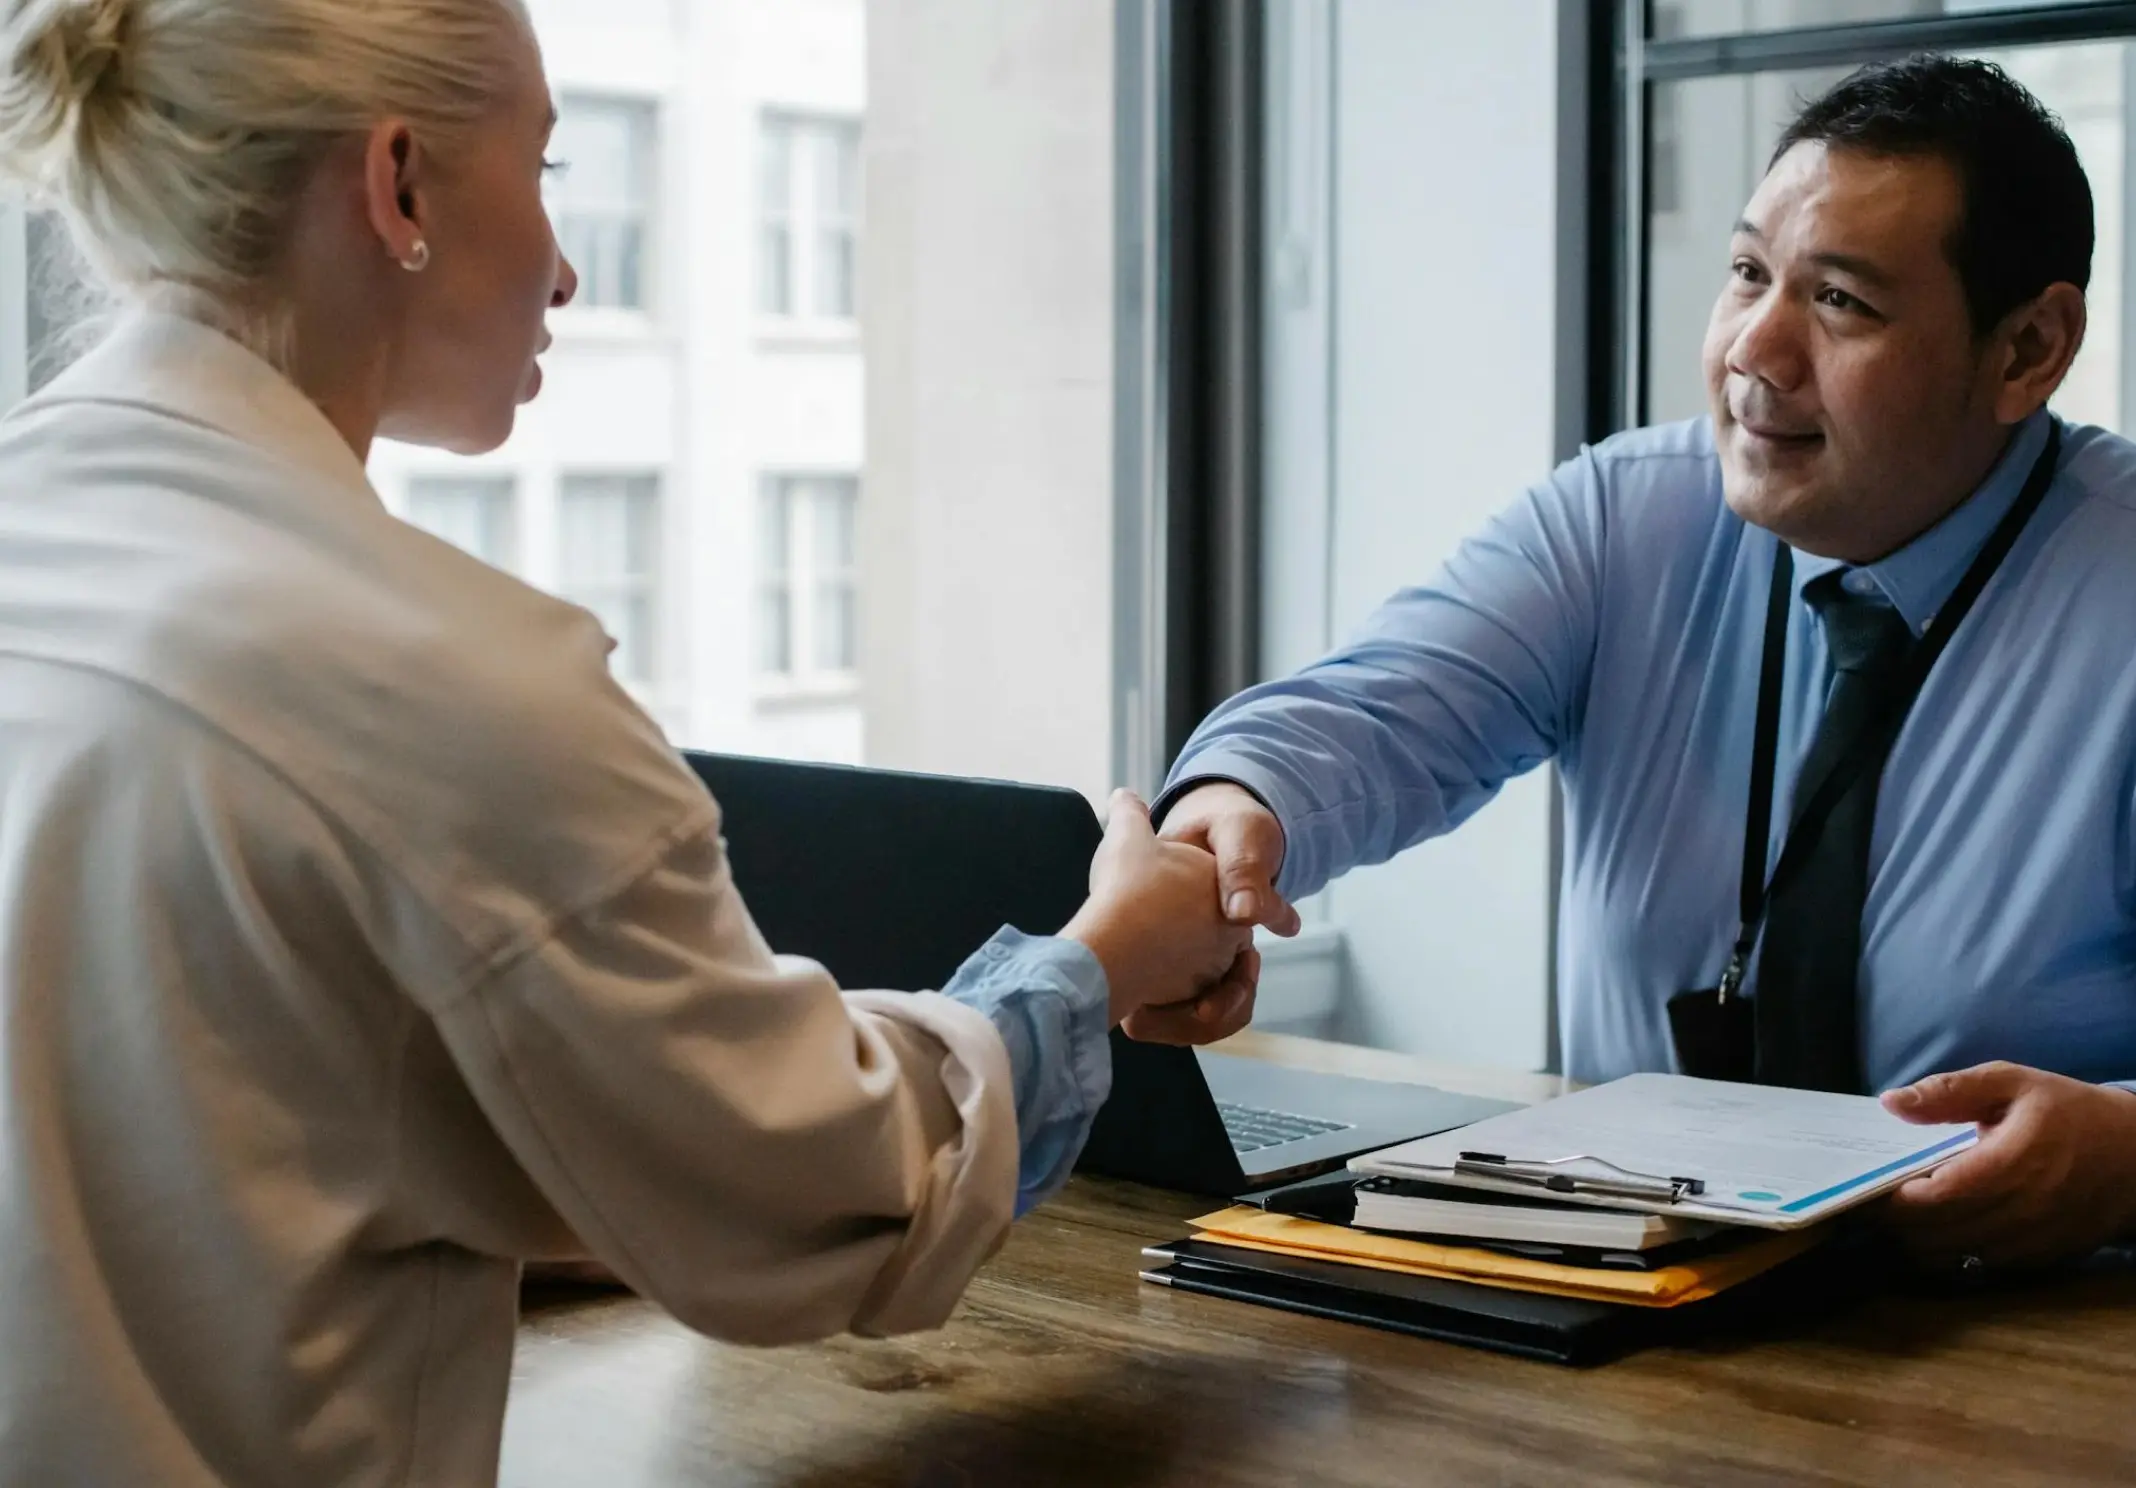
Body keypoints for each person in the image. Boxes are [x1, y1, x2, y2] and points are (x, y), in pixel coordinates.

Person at [0, 1, 1256, 1484]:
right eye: (544, 169)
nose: (568, 265)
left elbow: (211, 1125)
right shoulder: (445, 683)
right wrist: (1106, 955)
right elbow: (813, 1195)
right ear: (398, 184)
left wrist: (577, 1170)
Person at [1160, 53, 2136, 1275]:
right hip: (1635, 1315)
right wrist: (1235, 812)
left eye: (1840, 302)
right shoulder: (1631, 516)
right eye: (1746, 276)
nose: (1754, 351)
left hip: (2030, 1352)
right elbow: (1378, 716)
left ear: (2029, 349)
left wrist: (2128, 1149)